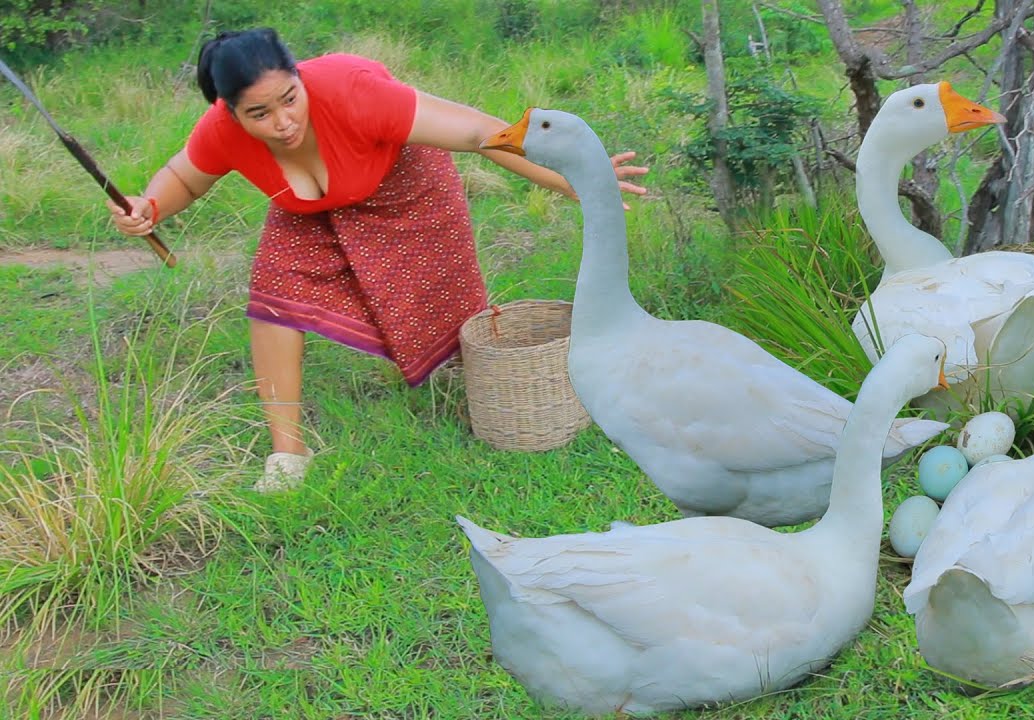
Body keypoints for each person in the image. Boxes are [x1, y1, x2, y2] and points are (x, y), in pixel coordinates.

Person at [108, 27, 648, 492]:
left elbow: (481, 133)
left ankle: (492, 394)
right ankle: (288, 453)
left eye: (290, 99)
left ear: (300, 77)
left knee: (442, 298)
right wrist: (149, 207)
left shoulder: (354, 93)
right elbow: (182, 177)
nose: (283, 122)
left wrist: (573, 182)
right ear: (228, 111)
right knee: (273, 294)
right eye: (259, 114)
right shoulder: (222, 133)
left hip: (403, 183)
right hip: (308, 208)